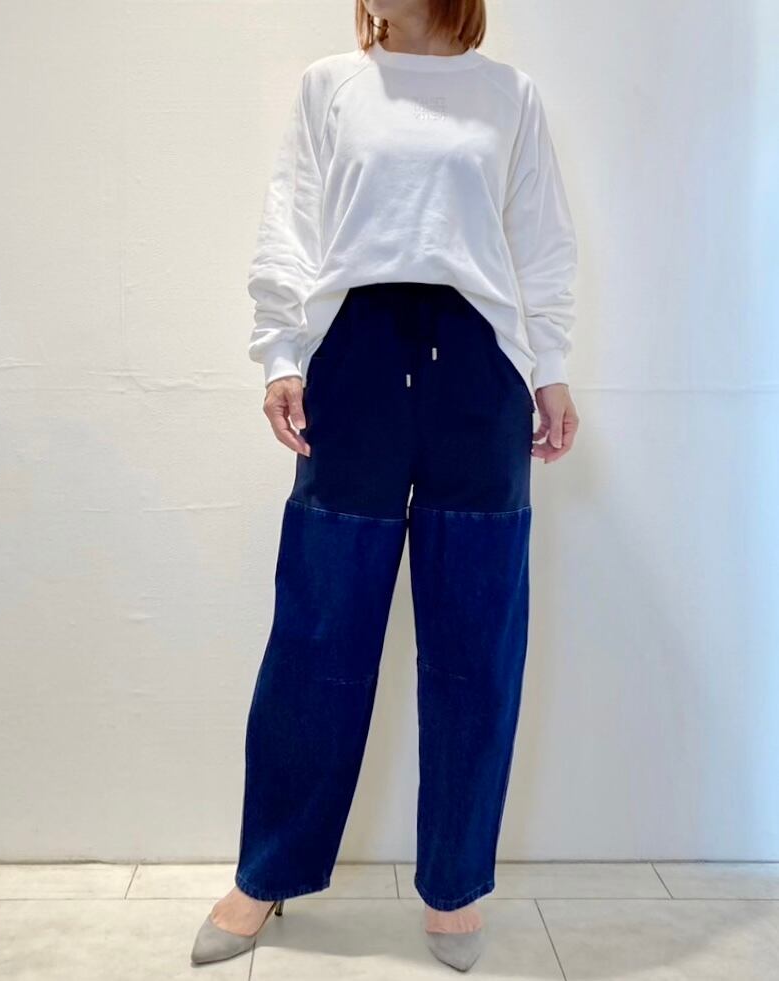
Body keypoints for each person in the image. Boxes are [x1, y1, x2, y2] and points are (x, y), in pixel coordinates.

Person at [192, 0, 579, 971]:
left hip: (478, 368)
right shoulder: (331, 87)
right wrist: (281, 352)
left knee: (476, 636)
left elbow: (541, 241)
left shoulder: (509, 95)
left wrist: (551, 369)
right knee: (319, 626)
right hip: (354, 356)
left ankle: (455, 885)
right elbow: (292, 222)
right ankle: (268, 870)